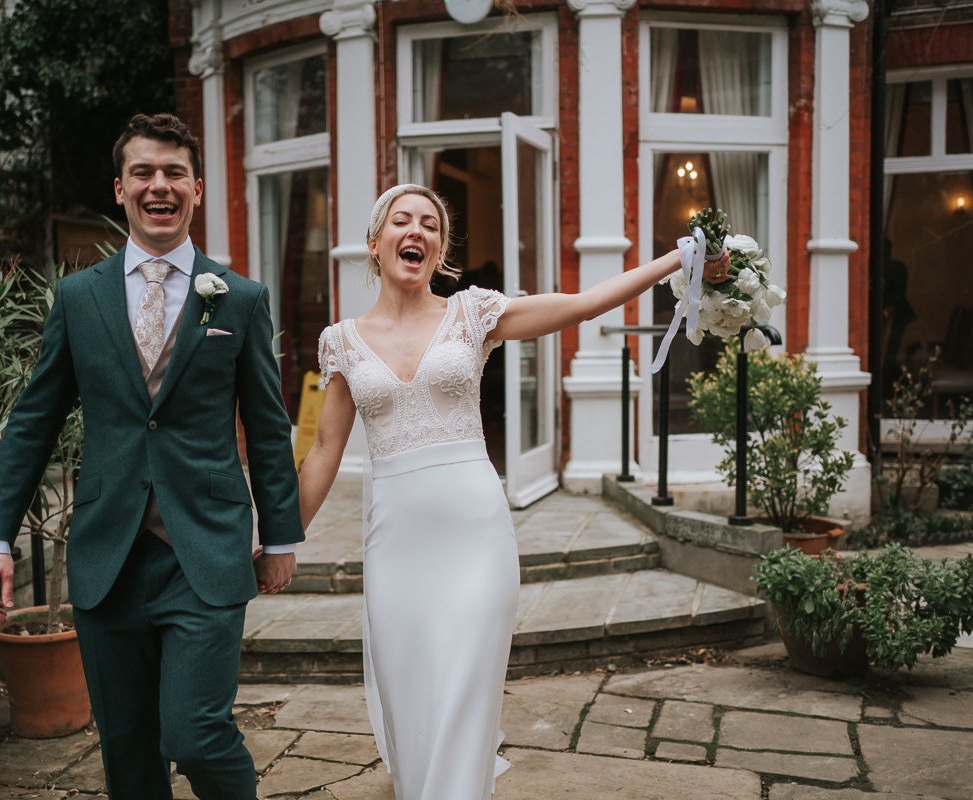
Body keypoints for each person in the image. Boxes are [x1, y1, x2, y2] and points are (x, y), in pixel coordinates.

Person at [297, 184, 730, 800]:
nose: (416, 231)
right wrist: (278, 540)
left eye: (430, 224)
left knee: (465, 693)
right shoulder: (341, 340)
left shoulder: (472, 314)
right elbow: (321, 453)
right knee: (412, 696)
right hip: (396, 544)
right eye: (402, 221)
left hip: (475, 535)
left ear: (441, 250)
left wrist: (677, 259)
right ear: (376, 242)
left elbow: (583, 305)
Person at [0, 113, 303, 800]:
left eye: (174, 173)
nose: (160, 186)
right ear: (120, 189)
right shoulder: (78, 297)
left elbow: (269, 427)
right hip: (108, 557)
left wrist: (281, 534)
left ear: (198, 189)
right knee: (127, 750)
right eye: (145, 173)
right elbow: (34, 420)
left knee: (195, 733)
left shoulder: (237, 299)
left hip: (204, 553)